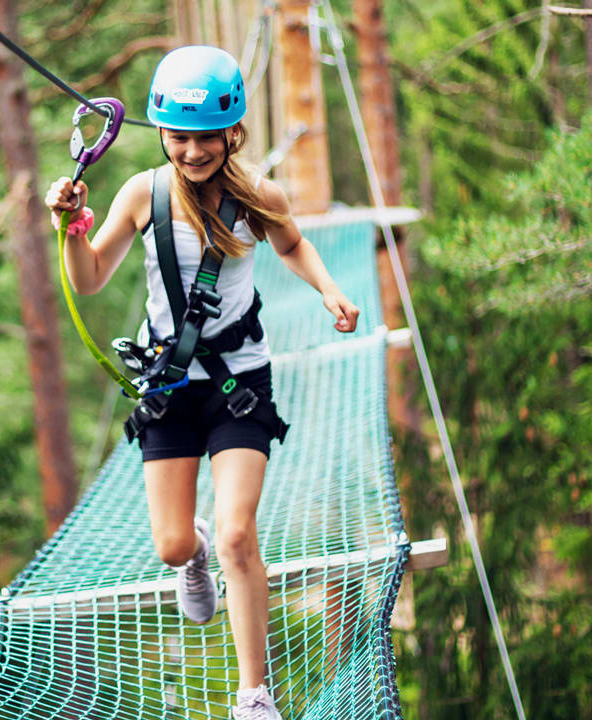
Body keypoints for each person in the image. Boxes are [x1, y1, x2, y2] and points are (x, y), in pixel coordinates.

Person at [44, 45, 359, 720]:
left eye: (205, 138)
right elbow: (88, 278)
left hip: (238, 381)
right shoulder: (141, 194)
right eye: (178, 137)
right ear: (160, 133)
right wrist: (72, 227)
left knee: (238, 534)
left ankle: (255, 694)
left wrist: (329, 290)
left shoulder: (256, 198)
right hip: (167, 387)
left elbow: (293, 243)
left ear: (232, 134)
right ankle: (193, 558)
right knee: (174, 544)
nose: (191, 151)